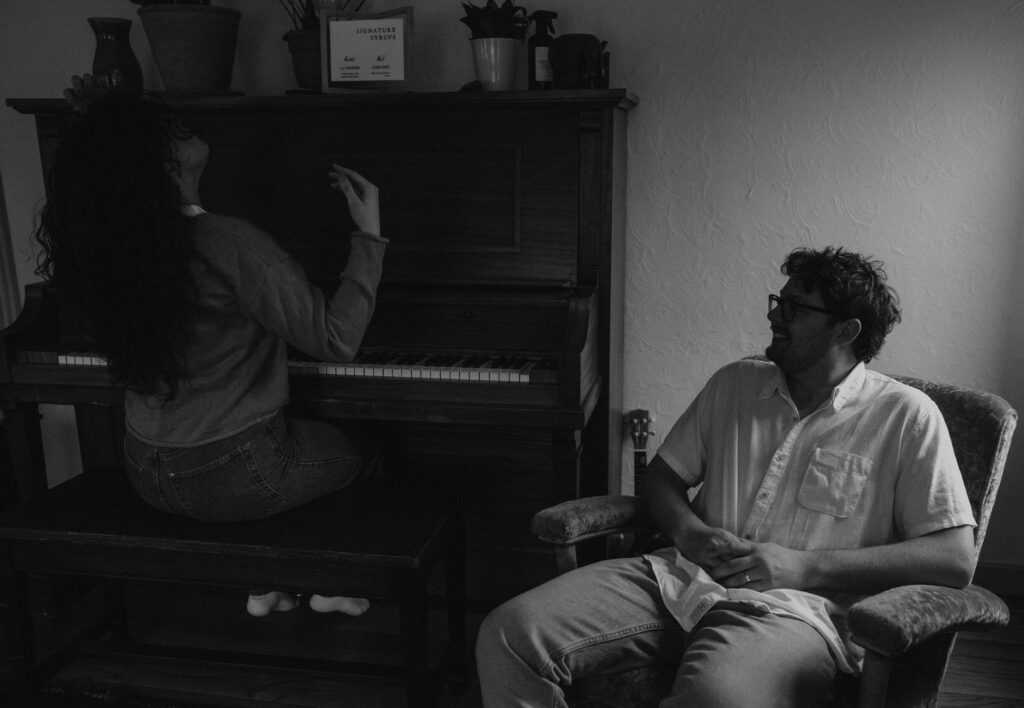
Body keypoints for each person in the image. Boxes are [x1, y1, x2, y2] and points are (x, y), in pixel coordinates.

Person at [476, 246, 977, 707]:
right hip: (676, 580)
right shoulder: (735, 382)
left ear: (846, 331)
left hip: (792, 612)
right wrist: (689, 533)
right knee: (509, 633)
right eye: (778, 300)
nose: (774, 315)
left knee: (716, 700)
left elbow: (952, 557)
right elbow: (660, 479)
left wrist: (805, 567)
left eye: (794, 308)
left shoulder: (906, 416)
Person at [34, 76, 387, 619]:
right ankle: (323, 584)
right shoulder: (227, 242)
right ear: (165, 167)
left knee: (285, 461)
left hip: (145, 467)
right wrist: (368, 233)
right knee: (367, 452)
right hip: (232, 472)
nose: (182, 128)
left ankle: (266, 583)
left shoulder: (112, 246)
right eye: (168, 133)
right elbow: (337, 341)